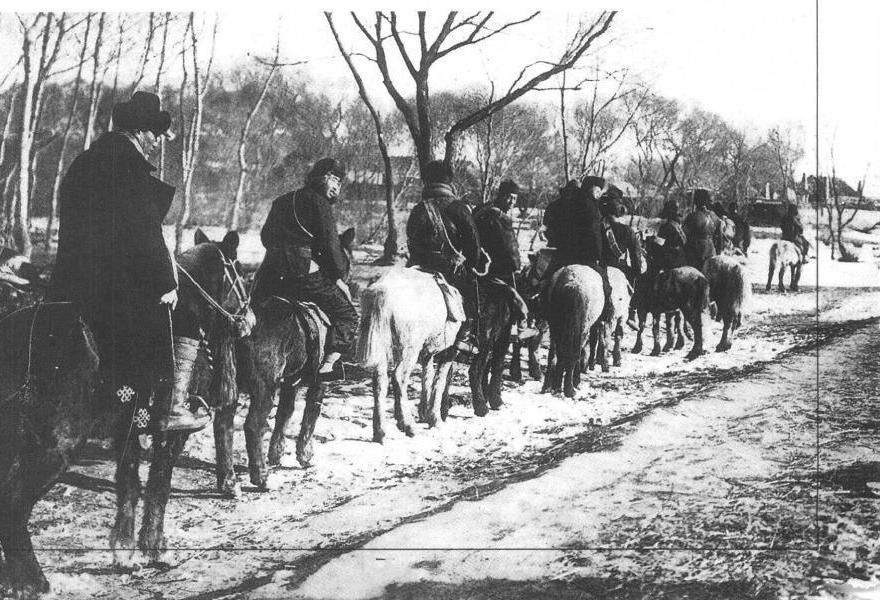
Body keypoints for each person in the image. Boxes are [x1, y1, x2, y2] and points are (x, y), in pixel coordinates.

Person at [50, 91, 209, 432]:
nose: (156, 141)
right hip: (115, 286)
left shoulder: (86, 161)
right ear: (140, 131)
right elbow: (143, 232)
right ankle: (163, 408)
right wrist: (166, 281)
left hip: (71, 280)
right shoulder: (130, 166)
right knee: (185, 316)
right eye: (154, 133)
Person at [256, 158, 358, 381]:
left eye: (339, 184)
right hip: (301, 271)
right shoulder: (319, 203)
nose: (337, 188)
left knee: (250, 310)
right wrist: (339, 278)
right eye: (335, 181)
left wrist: (280, 251)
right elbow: (330, 246)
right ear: (325, 178)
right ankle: (328, 366)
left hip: (269, 272)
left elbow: (265, 237)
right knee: (347, 314)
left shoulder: (281, 201)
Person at [406, 160, 482, 358]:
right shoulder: (458, 208)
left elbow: (411, 240)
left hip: (420, 267)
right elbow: (473, 244)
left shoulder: (419, 208)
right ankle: (464, 337)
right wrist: (471, 265)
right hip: (450, 271)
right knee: (473, 294)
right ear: (449, 181)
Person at [472, 179, 537, 340]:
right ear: (501, 195)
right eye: (509, 197)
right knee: (520, 297)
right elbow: (509, 247)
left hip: (476, 264)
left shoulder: (481, 210)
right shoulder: (499, 217)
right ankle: (521, 327)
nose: (512, 202)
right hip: (495, 269)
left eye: (515, 199)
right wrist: (516, 265)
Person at [543, 175, 613, 319]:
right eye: (597, 190)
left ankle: (542, 310)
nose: (599, 194)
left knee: (547, 280)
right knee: (605, 282)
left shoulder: (567, 203)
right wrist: (598, 257)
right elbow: (595, 235)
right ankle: (607, 311)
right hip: (586, 256)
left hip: (564, 254)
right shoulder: (593, 207)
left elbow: (554, 230)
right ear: (591, 188)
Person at [599, 187, 643, 328]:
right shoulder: (627, 231)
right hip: (619, 267)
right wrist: (636, 272)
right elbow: (636, 256)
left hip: (599, 266)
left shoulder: (596, 227)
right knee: (636, 281)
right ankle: (632, 312)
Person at [682, 188, 722, 272]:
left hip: (694, 252)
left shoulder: (692, 216)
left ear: (696, 201)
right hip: (711, 251)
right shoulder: (715, 217)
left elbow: (683, 235)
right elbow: (720, 240)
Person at [653, 199, 688, 271]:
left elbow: (658, 245)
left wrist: (651, 241)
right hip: (682, 258)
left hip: (670, 260)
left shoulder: (666, 226)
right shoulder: (679, 225)